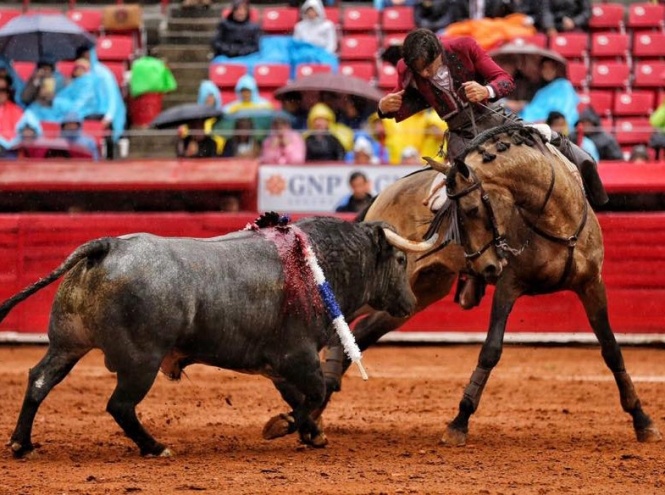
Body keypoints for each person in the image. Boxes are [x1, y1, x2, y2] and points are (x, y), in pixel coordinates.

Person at [378, 28, 608, 309]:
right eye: (419, 70)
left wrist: (486, 89)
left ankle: (595, 201)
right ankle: (472, 270)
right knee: (461, 198)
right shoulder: (408, 68)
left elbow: (506, 82)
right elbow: (403, 102)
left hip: (495, 121)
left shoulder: (463, 47)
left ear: (439, 53)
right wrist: (384, 107)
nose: (425, 74)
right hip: (461, 137)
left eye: (429, 67)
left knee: (559, 146)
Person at [519, 58, 579, 128]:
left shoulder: (564, 86)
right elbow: (532, 111)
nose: (548, 71)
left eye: (551, 68)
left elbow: (567, 110)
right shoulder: (539, 90)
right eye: (545, 68)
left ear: (556, 70)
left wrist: (549, 121)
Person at [0, 74, 24, 156]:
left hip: (9, 152)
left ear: (8, 92)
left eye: (3, 90)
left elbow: (20, 136)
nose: (1, 93)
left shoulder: (17, 110)